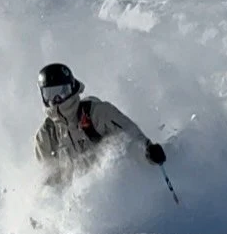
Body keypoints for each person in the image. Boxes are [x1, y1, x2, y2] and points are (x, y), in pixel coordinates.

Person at [35, 63, 166, 187]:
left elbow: (131, 136)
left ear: (72, 88)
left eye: (61, 92)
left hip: (115, 189)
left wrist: (148, 152)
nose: (56, 99)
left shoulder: (98, 113)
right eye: (49, 94)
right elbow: (49, 179)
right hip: (80, 202)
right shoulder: (47, 135)